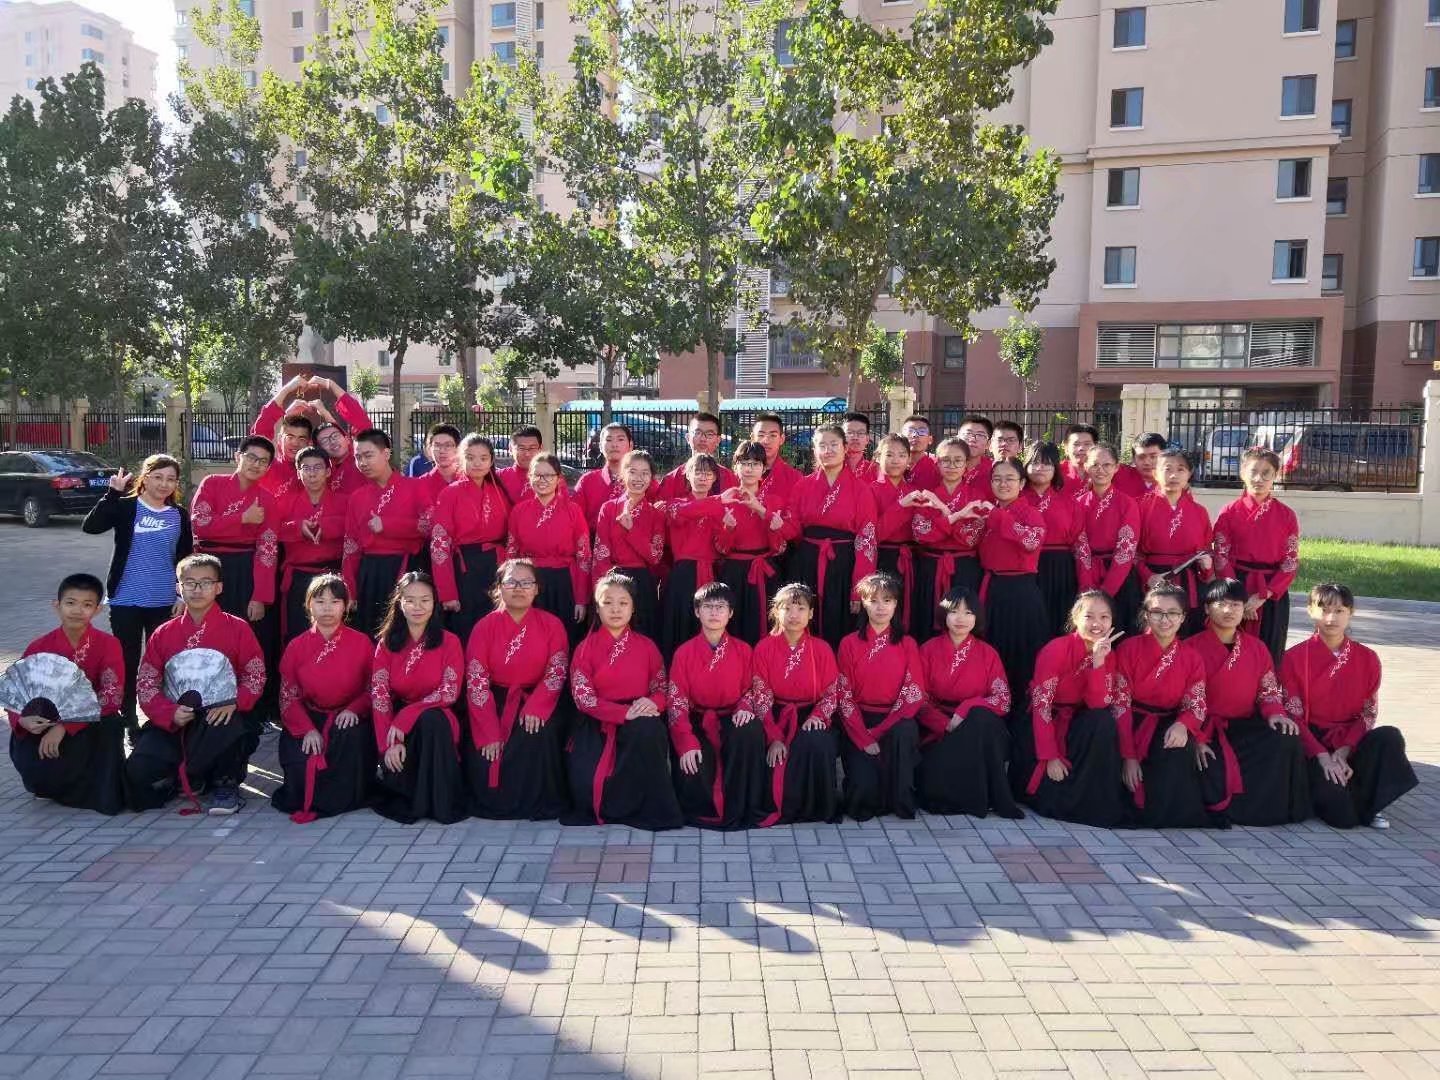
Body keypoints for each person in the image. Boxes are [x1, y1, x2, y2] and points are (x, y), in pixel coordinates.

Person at [127, 555, 266, 816]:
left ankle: (224, 784)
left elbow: (255, 675)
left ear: (219, 587)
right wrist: (169, 712)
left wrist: (235, 702)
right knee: (138, 772)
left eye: (206, 582)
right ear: (178, 588)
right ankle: (186, 777)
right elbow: (146, 683)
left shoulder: (238, 628)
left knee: (230, 726)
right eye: (189, 583)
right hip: (177, 719)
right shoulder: (163, 633)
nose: (197, 589)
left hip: (220, 716)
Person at [1281, 583, 1417, 830]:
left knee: (1389, 737)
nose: (1331, 618)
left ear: (1351, 613)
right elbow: (1293, 714)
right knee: (1343, 818)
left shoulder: (1367, 658)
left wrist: (1345, 749)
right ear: (1310, 611)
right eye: (1324, 609)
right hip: (1313, 743)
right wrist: (1323, 756)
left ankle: (1371, 804)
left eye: (1339, 611)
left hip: (1351, 740)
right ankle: (1353, 800)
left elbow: (1368, 713)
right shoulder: (1293, 658)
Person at [81, 453, 192, 734]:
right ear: (145, 478)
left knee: (160, 663)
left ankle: (159, 718)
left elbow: (185, 558)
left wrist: (181, 596)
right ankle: (129, 720)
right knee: (127, 663)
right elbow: (91, 526)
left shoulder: (179, 515)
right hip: (126, 599)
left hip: (164, 601)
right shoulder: (126, 507)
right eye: (158, 477)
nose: (164, 484)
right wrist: (112, 494)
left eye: (171, 479)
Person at [564, 573, 683, 830]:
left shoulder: (647, 646)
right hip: (597, 720)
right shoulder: (585, 649)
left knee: (649, 730)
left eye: (623, 603)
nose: (615, 609)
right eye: (607, 603)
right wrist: (622, 713)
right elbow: (583, 698)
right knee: (586, 784)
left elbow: (662, 687)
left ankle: (648, 808)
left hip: (638, 715)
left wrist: (654, 703)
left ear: (633, 607)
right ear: (597, 608)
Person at [1188, 578, 1309, 826]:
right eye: (1221, 603)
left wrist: (1275, 713)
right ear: (1207, 608)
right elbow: (1183, 699)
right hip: (1205, 729)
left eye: (1236, 604)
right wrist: (1196, 738)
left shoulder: (1257, 648)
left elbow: (1268, 691)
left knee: (1284, 736)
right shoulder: (1190, 647)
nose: (1229, 610)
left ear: (1244, 609)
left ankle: (1268, 809)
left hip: (1244, 726)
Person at [7, 574, 128, 815]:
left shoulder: (108, 644)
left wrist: (67, 725)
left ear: (97, 610)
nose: (77, 611)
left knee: (112, 722)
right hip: (45, 722)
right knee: (41, 778)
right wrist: (22, 719)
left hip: (89, 724)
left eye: (87, 604)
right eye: (70, 603)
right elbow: (16, 693)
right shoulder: (39, 646)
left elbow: (111, 694)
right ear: (57, 605)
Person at [463, 559, 571, 820]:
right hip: (495, 699)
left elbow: (557, 670)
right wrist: (488, 730)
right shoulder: (484, 627)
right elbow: (476, 681)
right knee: (487, 748)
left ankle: (537, 803)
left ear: (537, 589)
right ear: (499, 587)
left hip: (538, 696)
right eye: (511, 582)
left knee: (539, 732)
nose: (519, 588)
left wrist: (537, 706)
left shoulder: (552, 625)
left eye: (526, 583)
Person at [1014, 590, 1126, 828]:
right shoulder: (1055, 649)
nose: (1096, 624)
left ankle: (1091, 797)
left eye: (1104, 617)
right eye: (1089, 616)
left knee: (1103, 722)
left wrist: (1098, 662)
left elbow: (1098, 704)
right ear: (1075, 618)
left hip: (1078, 720)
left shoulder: (1108, 653)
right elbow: (1042, 705)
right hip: (1045, 720)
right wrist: (1050, 756)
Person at [271, 575, 375, 822]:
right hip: (308, 716)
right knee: (300, 760)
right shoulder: (296, 646)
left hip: (348, 716)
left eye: (335, 601)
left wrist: (354, 709)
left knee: (349, 743)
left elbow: (374, 688)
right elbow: (288, 695)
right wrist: (306, 729)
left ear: (346, 606)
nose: (327, 608)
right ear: (308, 605)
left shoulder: (362, 643)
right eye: (320, 601)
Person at [667, 582, 770, 829]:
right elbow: (677, 701)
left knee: (750, 731)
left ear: (730, 613)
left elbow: (751, 689)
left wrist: (745, 707)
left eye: (721, 607)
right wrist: (686, 740)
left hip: (732, 715)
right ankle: (702, 811)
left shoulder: (744, 650)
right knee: (693, 758)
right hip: (697, 719)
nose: (714, 612)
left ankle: (743, 805)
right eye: (708, 606)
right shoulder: (683, 653)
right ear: (697, 611)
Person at [915, 586, 1021, 819]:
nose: (960, 619)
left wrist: (967, 707)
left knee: (981, 718)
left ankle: (987, 797)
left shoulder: (988, 653)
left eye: (968, 612)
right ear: (944, 615)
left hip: (977, 724)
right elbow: (917, 696)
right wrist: (943, 723)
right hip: (939, 727)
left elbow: (1003, 700)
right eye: (954, 611)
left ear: (977, 617)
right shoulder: (927, 650)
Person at [1113, 583, 1215, 828]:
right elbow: (1120, 705)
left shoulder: (1191, 656)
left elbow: (1196, 703)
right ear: (1146, 614)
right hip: (1129, 720)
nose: (1165, 620)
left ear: (1183, 617)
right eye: (1157, 612)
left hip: (1168, 722)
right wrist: (1128, 756)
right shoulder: (1128, 648)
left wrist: (1184, 725)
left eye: (1173, 613)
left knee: (1179, 749)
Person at [370, 572, 467, 824]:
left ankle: (440, 801)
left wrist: (408, 715)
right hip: (396, 724)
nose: (417, 607)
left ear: (434, 602)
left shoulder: (450, 642)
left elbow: (450, 691)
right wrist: (388, 744)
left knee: (431, 720)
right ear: (399, 603)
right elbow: (380, 695)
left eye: (425, 600)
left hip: (436, 715)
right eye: (410, 600)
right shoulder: (386, 644)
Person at [746, 584, 842, 825]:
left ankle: (815, 808)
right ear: (775, 612)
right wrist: (774, 737)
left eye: (801, 608)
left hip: (811, 712)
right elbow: (761, 695)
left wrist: (818, 716)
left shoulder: (822, 648)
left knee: (817, 741)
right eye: (787, 608)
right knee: (770, 749)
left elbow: (832, 692)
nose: (794, 615)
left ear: (811, 613)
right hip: (775, 714)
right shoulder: (764, 647)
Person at [835, 573, 924, 821]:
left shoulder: (907, 643)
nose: (881, 607)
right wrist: (864, 737)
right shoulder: (848, 643)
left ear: (896, 604)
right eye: (873, 600)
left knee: (905, 730)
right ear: (863, 603)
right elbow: (844, 695)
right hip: (859, 720)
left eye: (887, 600)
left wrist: (880, 730)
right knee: (862, 793)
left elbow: (914, 691)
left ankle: (901, 799)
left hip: (896, 720)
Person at [782, 424, 878, 650]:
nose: (828, 450)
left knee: (840, 620)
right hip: (806, 562)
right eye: (822, 445)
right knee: (804, 619)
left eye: (834, 444)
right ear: (814, 450)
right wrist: (774, 522)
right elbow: (793, 529)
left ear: (845, 448)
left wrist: (859, 588)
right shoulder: (802, 485)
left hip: (844, 564)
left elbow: (867, 541)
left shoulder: (861, 489)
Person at [1213, 447, 1300, 665]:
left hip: (1271, 592)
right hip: (1236, 587)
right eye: (1253, 472)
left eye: (1266, 473)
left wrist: (1264, 595)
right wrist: (1240, 598)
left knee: (1270, 648)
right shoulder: (1229, 512)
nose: (1259, 479)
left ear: (1276, 475)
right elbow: (1221, 556)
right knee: (1231, 649)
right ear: (1242, 473)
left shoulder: (1287, 515)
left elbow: (1290, 561)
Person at [975, 457, 1050, 701]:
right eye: (997, 479)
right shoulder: (987, 513)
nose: (1003, 484)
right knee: (993, 648)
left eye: (1010, 479)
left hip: (1021, 592)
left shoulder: (1031, 514)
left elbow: (1031, 541)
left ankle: (1021, 709)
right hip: (992, 589)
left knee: (1021, 653)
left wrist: (997, 516)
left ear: (1022, 483)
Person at [342, 429, 426, 637]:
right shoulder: (357, 497)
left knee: (407, 634)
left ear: (386, 453)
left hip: (407, 569)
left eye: (368, 455)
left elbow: (430, 527)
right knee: (372, 631)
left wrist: (388, 525)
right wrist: (349, 589)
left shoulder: (416, 487)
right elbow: (350, 547)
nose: (363, 462)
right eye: (358, 457)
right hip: (370, 573)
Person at [190, 435, 279, 630]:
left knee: (241, 629)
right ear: (238, 456)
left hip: (244, 570)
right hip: (207, 564)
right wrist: (242, 518)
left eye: (263, 461)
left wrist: (260, 596)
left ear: (268, 467)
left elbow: (268, 550)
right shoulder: (212, 483)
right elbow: (199, 524)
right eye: (251, 457)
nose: (256, 464)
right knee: (204, 627)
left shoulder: (268, 500)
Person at [430, 434, 510, 646]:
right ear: (460, 458)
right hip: (464, 570)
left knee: (496, 627)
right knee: (467, 628)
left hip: (497, 567)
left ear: (491, 461)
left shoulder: (499, 492)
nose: (477, 463)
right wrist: (447, 592)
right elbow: (439, 546)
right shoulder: (449, 494)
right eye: (470, 457)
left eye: (483, 458)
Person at [505, 452, 591, 640]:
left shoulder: (573, 510)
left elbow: (584, 556)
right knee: (532, 637)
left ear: (558, 478)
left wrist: (581, 599)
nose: (542, 480)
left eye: (549, 475)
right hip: (529, 581)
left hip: (565, 581)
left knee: (566, 635)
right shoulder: (519, 511)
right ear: (530, 477)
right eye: (537, 475)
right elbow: (511, 555)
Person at [909, 437, 987, 643]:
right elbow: (921, 534)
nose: (951, 465)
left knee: (964, 617)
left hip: (964, 567)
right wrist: (957, 517)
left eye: (958, 460)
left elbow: (971, 537)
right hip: (930, 567)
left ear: (966, 464)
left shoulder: (977, 495)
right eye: (945, 460)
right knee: (928, 617)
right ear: (937, 463)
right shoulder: (927, 497)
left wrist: (942, 520)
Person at [715, 441, 787, 645]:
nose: (749, 468)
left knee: (766, 623)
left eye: (755, 464)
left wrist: (763, 512)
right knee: (734, 623)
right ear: (735, 467)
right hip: (734, 572)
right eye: (744, 463)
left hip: (765, 570)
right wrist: (728, 529)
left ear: (764, 468)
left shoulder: (774, 501)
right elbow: (720, 548)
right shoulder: (725, 500)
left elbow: (780, 547)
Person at [1136, 451, 1213, 637]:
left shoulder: (1199, 511)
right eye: (1167, 469)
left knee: (1189, 637)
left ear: (1189, 474)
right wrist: (1148, 576)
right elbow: (1131, 551)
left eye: (1180, 469)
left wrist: (1207, 567)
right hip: (1154, 580)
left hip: (1189, 583)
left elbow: (1206, 551)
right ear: (1155, 473)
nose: (1173, 475)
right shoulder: (1139, 506)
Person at [275, 447, 348, 643]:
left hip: (334, 574)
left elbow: (354, 527)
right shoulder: (284, 501)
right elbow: (272, 531)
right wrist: (298, 527)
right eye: (306, 468)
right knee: (298, 632)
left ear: (328, 471)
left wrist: (327, 526)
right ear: (298, 473)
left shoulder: (344, 501)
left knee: (334, 632)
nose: (312, 473)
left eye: (317, 467)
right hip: (298, 576)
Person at [593, 449, 666, 642]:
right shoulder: (609, 508)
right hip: (613, 580)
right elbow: (601, 553)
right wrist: (602, 588)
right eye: (632, 472)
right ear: (623, 474)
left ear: (651, 478)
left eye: (645, 473)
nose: (638, 478)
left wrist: (632, 530)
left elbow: (655, 556)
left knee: (643, 636)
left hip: (643, 583)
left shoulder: (656, 514)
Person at [657, 454, 726, 658]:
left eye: (708, 473)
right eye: (697, 472)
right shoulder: (675, 504)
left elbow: (723, 547)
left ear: (715, 477)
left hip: (712, 573)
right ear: (687, 475)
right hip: (683, 574)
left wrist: (728, 529)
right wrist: (717, 501)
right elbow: (684, 512)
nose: (703, 477)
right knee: (680, 625)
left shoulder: (721, 507)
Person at [254, 375, 371, 491]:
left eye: (302, 438)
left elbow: (361, 426)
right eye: (290, 437)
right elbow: (260, 433)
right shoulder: (268, 466)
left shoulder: (324, 473)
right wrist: (287, 390)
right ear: (280, 439)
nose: (295, 443)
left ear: (310, 444)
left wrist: (330, 384)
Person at [1075, 444, 1142, 636]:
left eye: (1107, 465)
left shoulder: (1127, 503)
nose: (1101, 470)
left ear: (1116, 467)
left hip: (1120, 577)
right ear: (1086, 466)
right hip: (1086, 572)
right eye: (1095, 465)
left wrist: (1106, 591)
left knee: (1121, 632)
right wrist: (1087, 586)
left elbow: (1125, 551)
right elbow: (1080, 547)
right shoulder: (1078, 503)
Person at [1021, 441, 1084, 637]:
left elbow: (1080, 545)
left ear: (1056, 467)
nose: (1040, 468)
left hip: (1060, 570)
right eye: (1035, 462)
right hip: (1023, 568)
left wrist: (1085, 583)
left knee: (1057, 621)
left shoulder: (1070, 503)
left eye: (1047, 463)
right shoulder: (1015, 499)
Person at [872, 434, 928, 636]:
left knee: (910, 611)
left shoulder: (915, 491)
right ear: (878, 457)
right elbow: (874, 533)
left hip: (911, 560)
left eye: (902, 455)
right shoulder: (870, 490)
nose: (895, 460)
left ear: (909, 459)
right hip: (882, 558)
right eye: (889, 455)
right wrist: (901, 506)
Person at [578, 422, 652, 526]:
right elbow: (574, 519)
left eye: (620, 439)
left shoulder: (646, 482)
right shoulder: (587, 481)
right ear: (600, 446)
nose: (614, 445)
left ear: (630, 445)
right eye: (609, 440)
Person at [657, 412, 737, 499]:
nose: (703, 439)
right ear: (688, 437)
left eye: (709, 434)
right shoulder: (671, 480)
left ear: (718, 440)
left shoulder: (729, 477)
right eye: (697, 433)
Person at [749, 413, 804, 503]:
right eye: (761, 435)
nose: (766, 441)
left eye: (773, 435)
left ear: (781, 439)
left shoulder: (794, 478)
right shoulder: (740, 475)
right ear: (752, 438)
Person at [314, 420, 368, 495]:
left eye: (335, 436)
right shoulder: (323, 473)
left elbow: (363, 425)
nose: (332, 442)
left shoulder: (363, 461)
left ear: (347, 439)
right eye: (325, 441)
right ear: (319, 450)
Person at [495, 425, 544, 504]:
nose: (527, 454)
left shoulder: (552, 478)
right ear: (510, 448)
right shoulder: (498, 478)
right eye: (521, 448)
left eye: (532, 448)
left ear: (540, 449)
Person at [1115, 433, 1165, 499]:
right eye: (1141, 457)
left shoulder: (1172, 481)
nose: (1147, 462)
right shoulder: (1119, 474)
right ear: (1133, 459)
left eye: (1153, 457)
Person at [957, 415, 995, 500]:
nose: (973, 439)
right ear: (958, 437)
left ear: (988, 444)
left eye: (980, 435)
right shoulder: (942, 467)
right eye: (968, 434)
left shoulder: (994, 471)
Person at [900, 415, 940, 490]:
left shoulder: (938, 466)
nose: (915, 435)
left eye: (922, 431)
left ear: (930, 439)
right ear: (902, 437)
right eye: (910, 431)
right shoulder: (892, 465)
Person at [1061, 424, 1098, 492]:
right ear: (1066, 448)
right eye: (1076, 444)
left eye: (1087, 444)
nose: (1081, 448)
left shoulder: (1107, 472)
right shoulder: (1056, 473)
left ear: (1096, 447)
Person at [841, 411, 877, 481]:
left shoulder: (875, 471)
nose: (855, 437)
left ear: (867, 439)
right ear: (842, 437)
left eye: (860, 433)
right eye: (849, 432)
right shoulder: (832, 468)